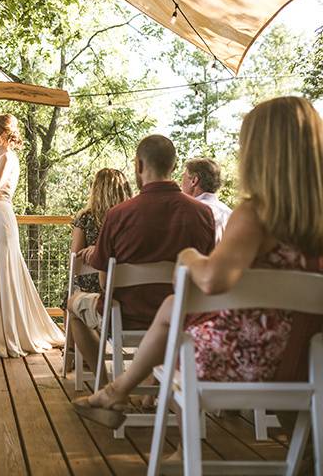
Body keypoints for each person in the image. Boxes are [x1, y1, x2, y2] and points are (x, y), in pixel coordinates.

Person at [74, 96, 323, 433]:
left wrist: (189, 258)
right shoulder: (308, 220)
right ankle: (133, 403)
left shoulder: (255, 215)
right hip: (310, 359)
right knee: (174, 307)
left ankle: (118, 391)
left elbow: (212, 281)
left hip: (251, 361)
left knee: (179, 322)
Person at [69, 135, 215, 386]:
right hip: (182, 317)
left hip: (126, 316)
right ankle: (153, 389)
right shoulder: (202, 213)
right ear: (173, 166)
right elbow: (205, 274)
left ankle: (108, 388)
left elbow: (104, 280)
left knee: (74, 306)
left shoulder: (119, 215)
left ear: (138, 165)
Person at [0, 114, 65, 357]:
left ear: (1, 134)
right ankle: (1, 331)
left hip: (2, 217)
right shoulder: (2, 157)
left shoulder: (7, 157)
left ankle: (9, 332)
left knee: (5, 271)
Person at [64, 168, 132, 370]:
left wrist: (96, 252)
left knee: (71, 296)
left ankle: (73, 352)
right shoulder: (130, 218)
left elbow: (75, 264)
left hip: (94, 288)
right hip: (125, 289)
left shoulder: (85, 218)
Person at [181, 157, 232, 243]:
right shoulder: (229, 213)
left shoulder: (193, 212)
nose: (180, 183)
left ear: (194, 180)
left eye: (183, 177)